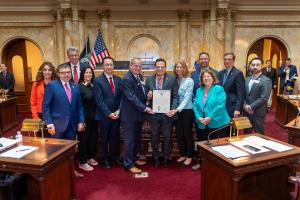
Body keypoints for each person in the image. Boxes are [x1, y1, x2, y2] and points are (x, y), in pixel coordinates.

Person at [42, 63, 85, 178]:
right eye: (63, 73)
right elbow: (45, 106)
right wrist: (49, 124)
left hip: (72, 125)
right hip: (57, 126)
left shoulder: (75, 86)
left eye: (68, 72)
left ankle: (71, 171)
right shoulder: (52, 86)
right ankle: (58, 174)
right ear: (58, 74)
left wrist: (81, 121)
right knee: (56, 151)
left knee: (70, 151)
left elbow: (79, 106)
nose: (66, 75)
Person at [120, 57, 154, 174]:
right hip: (129, 117)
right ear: (130, 66)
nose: (138, 67)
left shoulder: (139, 77)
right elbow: (132, 98)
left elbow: (141, 94)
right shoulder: (126, 79)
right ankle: (128, 164)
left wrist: (148, 97)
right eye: (135, 65)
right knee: (130, 141)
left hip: (138, 115)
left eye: (140, 66)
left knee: (136, 140)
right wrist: (145, 108)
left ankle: (134, 159)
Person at [193, 69, 230, 170]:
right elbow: (195, 106)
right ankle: (201, 163)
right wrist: (199, 117)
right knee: (203, 144)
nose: (206, 78)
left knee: (217, 146)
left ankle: (216, 166)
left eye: (208, 76)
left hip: (218, 123)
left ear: (213, 78)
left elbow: (220, 106)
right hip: (202, 123)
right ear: (201, 79)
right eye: (204, 77)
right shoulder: (199, 90)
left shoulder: (218, 89)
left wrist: (210, 117)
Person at [146, 58, 179, 167]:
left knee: (167, 137)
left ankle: (166, 158)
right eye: (158, 67)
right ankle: (155, 158)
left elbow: (175, 96)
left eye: (162, 67)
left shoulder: (173, 79)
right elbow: (146, 98)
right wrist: (148, 97)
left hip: (167, 114)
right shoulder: (149, 79)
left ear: (165, 68)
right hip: (153, 114)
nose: (160, 69)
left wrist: (173, 109)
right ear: (155, 68)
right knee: (154, 137)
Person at [94, 57, 122, 169]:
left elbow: (122, 98)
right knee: (104, 138)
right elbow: (99, 100)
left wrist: (119, 110)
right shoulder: (97, 80)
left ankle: (114, 156)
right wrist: (109, 113)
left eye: (111, 64)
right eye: (107, 65)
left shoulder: (119, 79)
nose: (109, 67)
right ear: (103, 66)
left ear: (113, 66)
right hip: (104, 115)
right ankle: (105, 158)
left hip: (117, 114)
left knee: (115, 137)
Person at [173, 60, 194, 166]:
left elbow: (187, 98)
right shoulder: (174, 80)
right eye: (177, 67)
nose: (179, 69)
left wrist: (177, 109)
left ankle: (190, 156)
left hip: (187, 111)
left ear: (185, 68)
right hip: (176, 111)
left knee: (187, 133)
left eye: (181, 67)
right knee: (179, 133)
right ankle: (183, 154)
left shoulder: (189, 80)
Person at [77, 66, 98, 171]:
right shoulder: (79, 87)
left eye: (90, 73)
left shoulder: (93, 86)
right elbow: (77, 105)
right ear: (82, 74)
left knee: (92, 139)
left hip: (94, 118)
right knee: (83, 140)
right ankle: (82, 161)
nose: (89, 74)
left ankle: (90, 157)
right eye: (86, 73)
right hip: (84, 119)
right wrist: (80, 120)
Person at [244, 57, 272, 134]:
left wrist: (251, 106)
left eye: (257, 65)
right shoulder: (247, 79)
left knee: (259, 136)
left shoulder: (266, 80)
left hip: (258, 112)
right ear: (250, 66)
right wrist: (244, 106)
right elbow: (242, 94)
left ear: (262, 66)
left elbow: (264, 98)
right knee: (246, 134)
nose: (255, 67)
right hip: (246, 112)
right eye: (253, 65)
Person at [217, 52, 245, 118]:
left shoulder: (238, 73)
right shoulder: (220, 73)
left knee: (231, 127)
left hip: (232, 107)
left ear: (233, 61)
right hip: (221, 106)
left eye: (229, 59)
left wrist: (238, 109)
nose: (226, 61)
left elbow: (241, 94)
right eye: (225, 59)